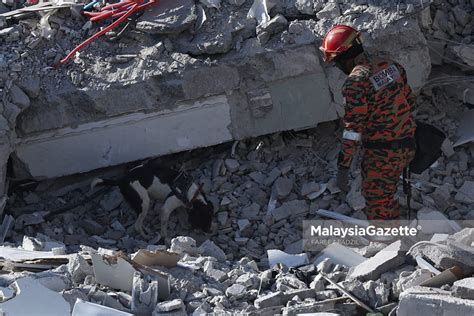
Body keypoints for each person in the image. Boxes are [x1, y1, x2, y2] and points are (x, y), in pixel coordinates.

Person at [319, 25, 417, 220]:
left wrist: (344, 167)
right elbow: (410, 102)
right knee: (388, 193)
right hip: (408, 144)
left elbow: (353, 130)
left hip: (383, 153)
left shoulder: (356, 82)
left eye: (337, 63)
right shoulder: (391, 66)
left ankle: (392, 244)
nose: (339, 68)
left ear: (344, 58)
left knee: (378, 201)